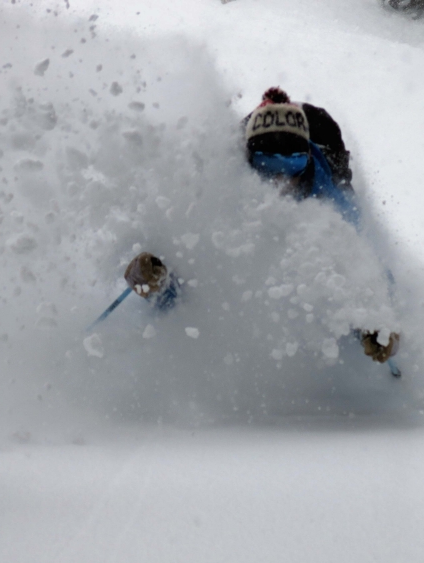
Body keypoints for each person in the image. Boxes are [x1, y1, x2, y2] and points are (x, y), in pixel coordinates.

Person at [124, 87, 399, 364]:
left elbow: (367, 268)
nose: (280, 179)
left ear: (306, 161)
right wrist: (154, 279)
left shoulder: (332, 200)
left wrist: (375, 323)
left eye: (292, 165)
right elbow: (189, 284)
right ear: (250, 164)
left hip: (321, 136)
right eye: (268, 166)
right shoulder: (224, 191)